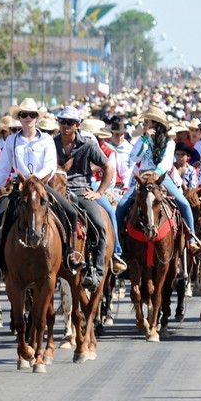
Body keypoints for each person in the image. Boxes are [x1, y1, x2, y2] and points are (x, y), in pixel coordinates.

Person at [0, 98, 85, 283]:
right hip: (19, 188)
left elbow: (51, 166)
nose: (28, 118)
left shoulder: (46, 140)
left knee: (70, 212)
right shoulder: (11, 141)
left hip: (42, 186)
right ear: (19, 118)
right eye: (24, 114)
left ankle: (70, 255)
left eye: (32, 114)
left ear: (37, 118)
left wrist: (34, 178)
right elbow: (2, 171)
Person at [54, 108, 127, 291]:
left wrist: (100, 192)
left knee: (100, 224)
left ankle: (96, 270)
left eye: (70, 122)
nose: (65, 126)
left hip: (80, 190)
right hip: (54, 190)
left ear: (77, 125)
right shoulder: (50, 143)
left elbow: (108, 167)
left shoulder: (87, 145)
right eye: (62, 121)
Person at [116, 106, 201, 257]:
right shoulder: (143, 139)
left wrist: (156, 174)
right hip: (143, 178)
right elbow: (134, 157)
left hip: (161, 178)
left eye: (146, 122)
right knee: (122, 205)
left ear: (155, 124)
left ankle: (191, 239)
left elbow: (166, 163)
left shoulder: (169, 143)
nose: (144, 125)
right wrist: (144, 138)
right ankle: (118, 245)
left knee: (184, 203)